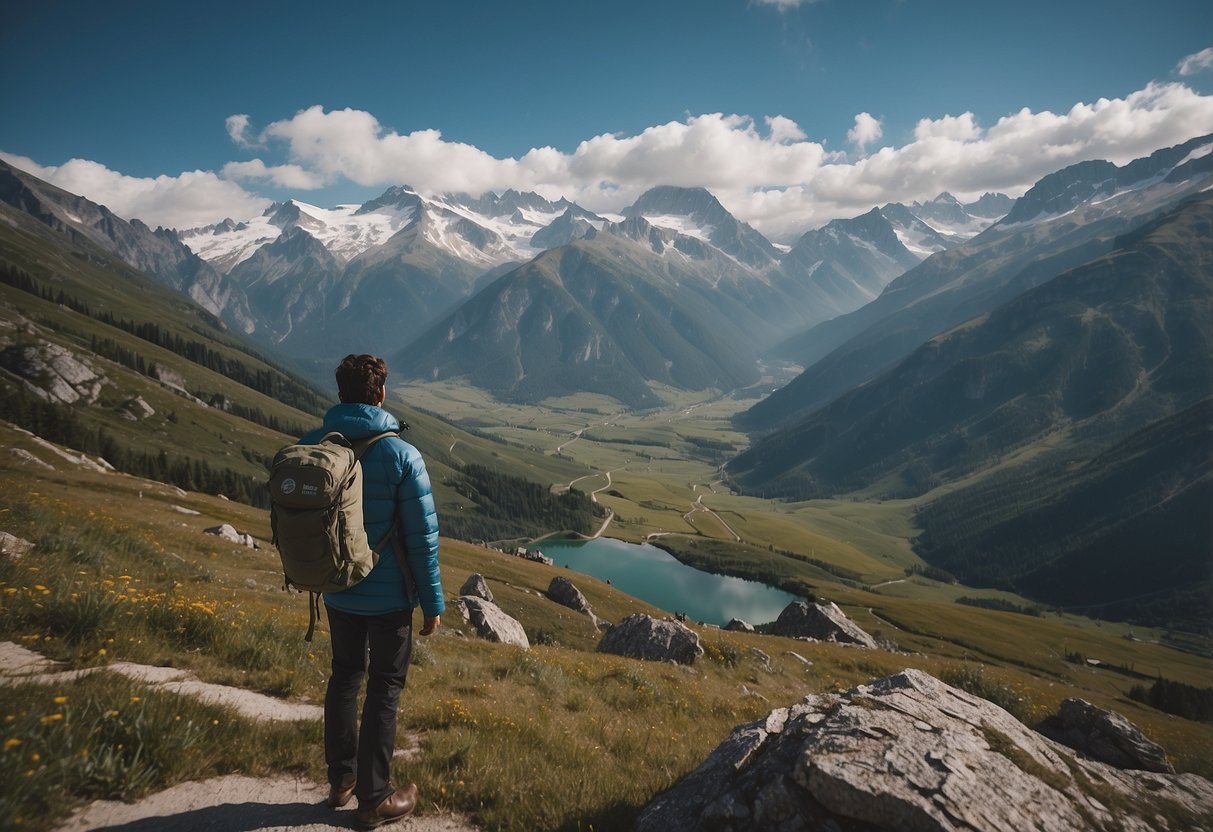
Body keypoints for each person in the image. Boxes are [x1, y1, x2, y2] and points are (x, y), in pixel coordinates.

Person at [299, 354, 444, 828]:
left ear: (341, 394)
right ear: (381, 394)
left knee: (344, 677)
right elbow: (422, 540)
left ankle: (341, 782)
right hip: (389, 600)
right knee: (384, 688)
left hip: (337, 591)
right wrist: (433, 604)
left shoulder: (314, 446)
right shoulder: (403, 455)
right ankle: (374, 799)